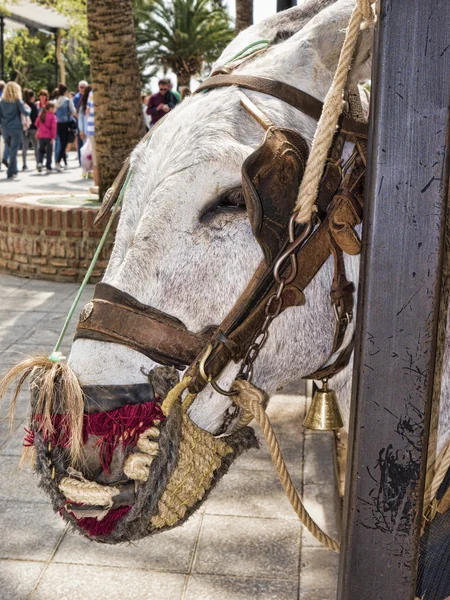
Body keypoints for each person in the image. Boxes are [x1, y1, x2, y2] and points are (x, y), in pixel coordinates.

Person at [0, 82, 31, 179]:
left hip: (5, 128)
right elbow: (25, 112)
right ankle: (10, 171)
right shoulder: (18, 101)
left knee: (10, 149)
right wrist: (29, 109)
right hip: (16, 128)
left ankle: (14, 169)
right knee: (14, 150)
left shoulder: (2, 102)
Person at [54, 83, 76, 172]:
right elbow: (73, 111)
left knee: (61, 142)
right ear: (66, 91)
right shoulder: (67, 101)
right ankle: (58, 162)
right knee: (64, 144)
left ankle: (65, 162)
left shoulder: (56, 101)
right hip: (66, 123)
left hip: (58, 124)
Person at [35, 101, 57, 174]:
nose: (55, 110)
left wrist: (40, 130)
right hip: (49, 136)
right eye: (54, 108)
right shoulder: (52, 116)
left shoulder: (41, 114)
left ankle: (39, 163)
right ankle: (48, 167)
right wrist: (53, 137)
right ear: (50, 108)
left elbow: (36, 123)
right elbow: (53, 127)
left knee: (41, 150)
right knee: (49, 152)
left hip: (41, 136)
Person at [22, 89, 39, 171]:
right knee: (36, 146)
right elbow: (36, 118)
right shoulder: (33, 106)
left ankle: (24, 164)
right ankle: (38, 163)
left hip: (24, 128)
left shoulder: (22, 105)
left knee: (24, 147)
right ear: (32, 97)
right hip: (33, 128)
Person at [86, 88, 98, 194]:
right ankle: (97, 185)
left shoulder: (91, 92)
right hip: (95, 128)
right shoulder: (94, 92)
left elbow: (87, 111)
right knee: (96, 159)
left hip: (91, 128)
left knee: (96, 159)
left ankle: (97, 184)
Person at [77, 84, 92, 177]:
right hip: (86, 132)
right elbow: (80, 119)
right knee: (86, 153)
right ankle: (85, 170)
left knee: (89, 153)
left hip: (89, 131)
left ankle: (90, 171)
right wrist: (81, 130)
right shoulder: (83, 105)